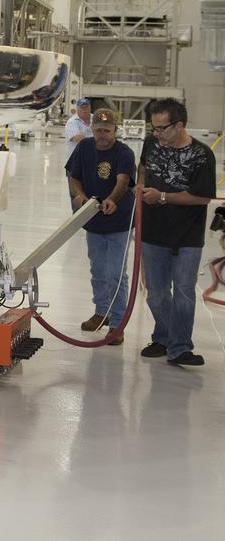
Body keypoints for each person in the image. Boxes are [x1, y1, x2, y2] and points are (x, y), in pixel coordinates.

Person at [138, 98, 216, 367]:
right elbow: (143, 168)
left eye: (162, 128)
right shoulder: (151, 143)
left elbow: (203, 197)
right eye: (154, 128)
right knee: (157, 293)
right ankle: (163, 338)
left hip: (187, 236)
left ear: (179, 125)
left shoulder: (202, 155)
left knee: (183, 291)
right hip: (153, 232)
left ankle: (180, 347)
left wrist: (162, 196)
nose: (157, 133)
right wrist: (140, 186)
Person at [64, 108, 135, 345]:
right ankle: (102, 312)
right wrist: (80, 195)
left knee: (116, 274)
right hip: (94, 221)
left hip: (119, 222)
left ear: (116, 130)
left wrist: (112, 199)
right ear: (92, 130)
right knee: (98, 271)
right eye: (98, 130)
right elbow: (73, 176)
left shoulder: (124, 153)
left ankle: (117, 324)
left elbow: (123, 181)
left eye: (107, 130)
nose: (102, 135)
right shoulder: (84, 148)